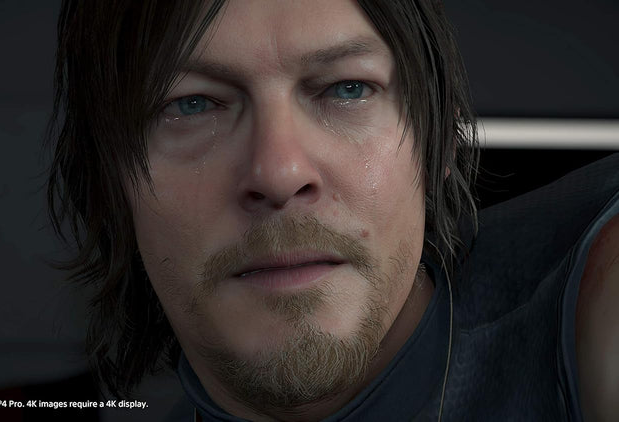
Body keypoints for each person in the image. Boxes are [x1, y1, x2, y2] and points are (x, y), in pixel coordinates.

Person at [46, 0, 619, 420]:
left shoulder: (591, 294)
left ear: (441, 139)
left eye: (348, 89)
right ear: (106, 179)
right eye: (191, 104)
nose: (279, 174)